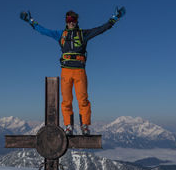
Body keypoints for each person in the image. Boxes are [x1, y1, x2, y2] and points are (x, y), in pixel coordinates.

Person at [20, 7, 126, 135]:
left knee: (83, 99)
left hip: (79, 71)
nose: (71, 22)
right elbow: (44, 31)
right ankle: (69, 126)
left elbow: (100, 29)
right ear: (66, 21)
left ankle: (85, 126)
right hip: (66, 71)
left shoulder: (83, 34)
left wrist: (114, 19)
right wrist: (31, 22)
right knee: (66, 100)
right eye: (69, 19)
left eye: (73, 19)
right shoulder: (61, 35)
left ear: (77, 21)